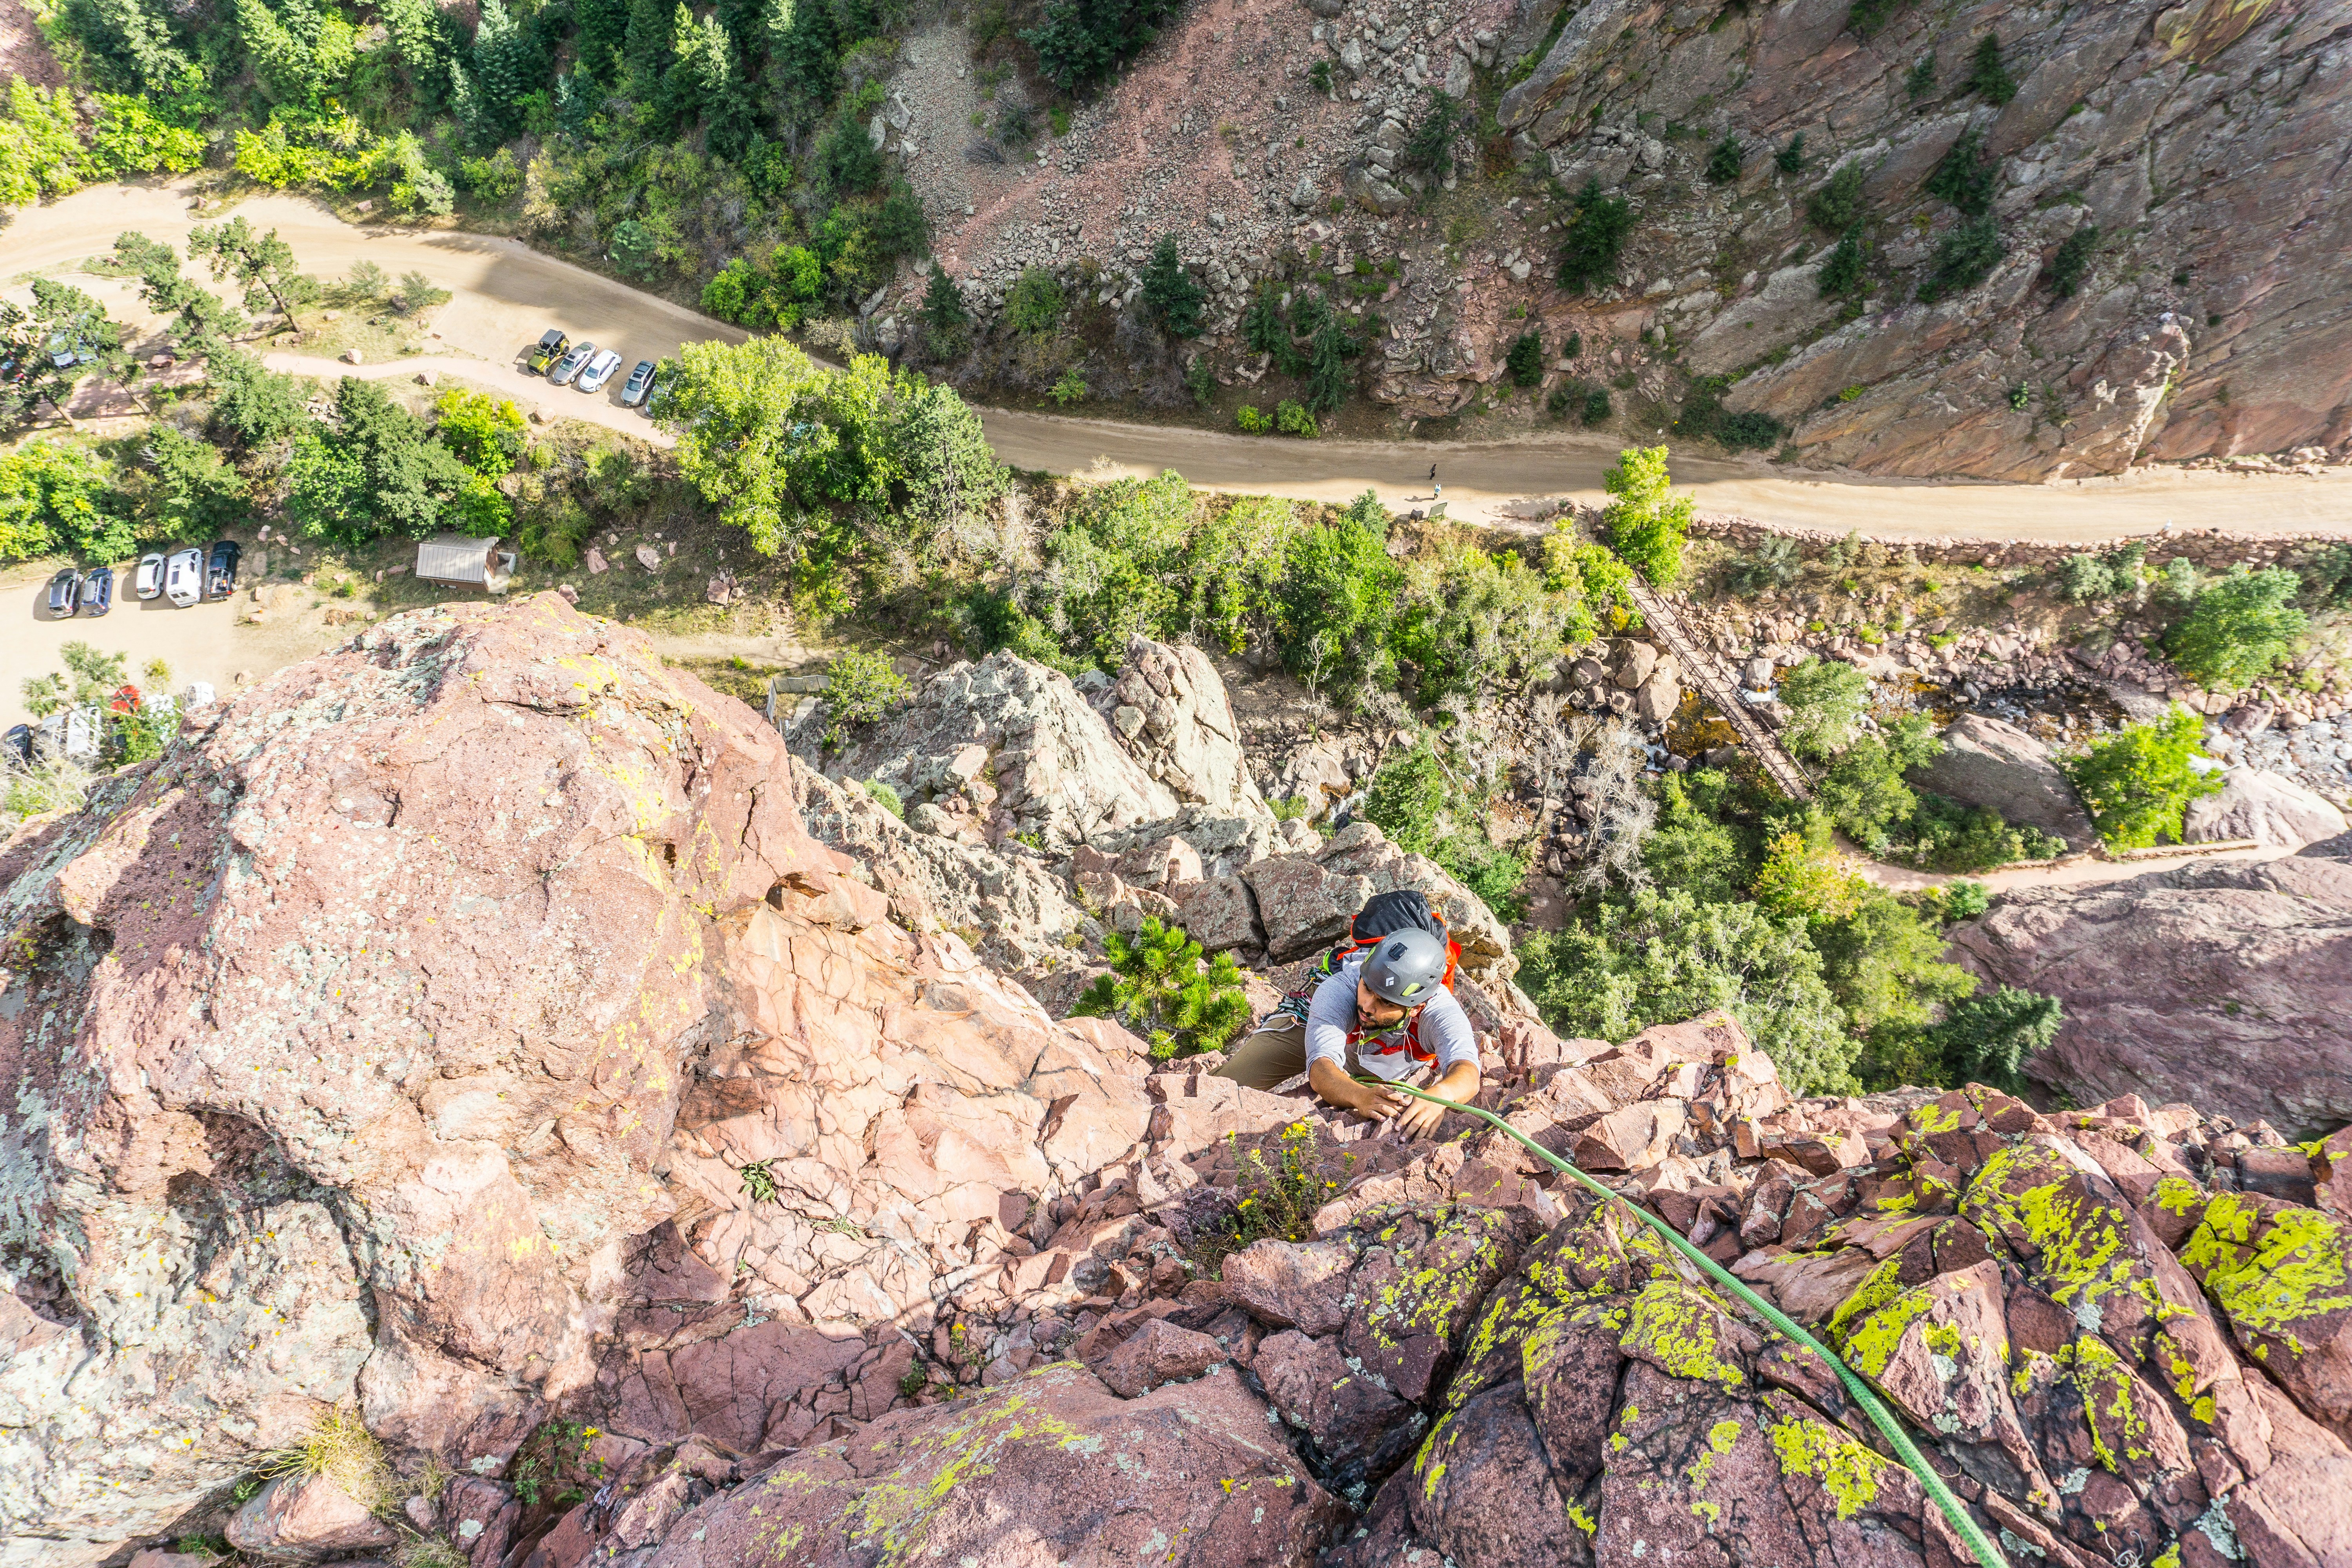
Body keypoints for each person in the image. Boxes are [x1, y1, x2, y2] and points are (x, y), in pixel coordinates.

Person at [1211, 891, 1481, 1137]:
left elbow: (1467, 1071)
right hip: (1317, 1028)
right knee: (1223, 1087)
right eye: (1368, 988)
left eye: (1386, 1003)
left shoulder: (1438, 1010)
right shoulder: (1343, 986)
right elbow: (1321, 1070)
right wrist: (1359, 1097)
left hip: (1391, 1053)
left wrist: (1440, 1095)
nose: (1367, 1006)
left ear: (1417, 1007)